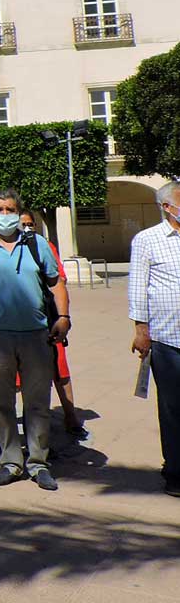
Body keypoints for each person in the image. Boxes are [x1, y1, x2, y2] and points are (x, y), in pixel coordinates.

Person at [0, 189, 70, 492]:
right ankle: (10, 460)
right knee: (1, 400)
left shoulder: (37, 245)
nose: (5, 214)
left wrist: (63, 317)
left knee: (37, 401)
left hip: (36, 335)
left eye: (11, 209)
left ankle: (38, 462)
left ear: (19, 213)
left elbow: (55, 283)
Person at [129, 181, 180, 498]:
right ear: (166, 206)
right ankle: (175, 471)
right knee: (173, 409)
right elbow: (137, 287)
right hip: (168, 339)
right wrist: (140, 330)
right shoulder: (147, 240)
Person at [20, 210, 85, 438]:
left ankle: (70, 416)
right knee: (22, 376)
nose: (28, 227)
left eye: (31, 224)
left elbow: (60, 278)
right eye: (23, 224)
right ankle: (33, 423)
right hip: (19, 321)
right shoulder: (8, 248)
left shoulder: (43, 246)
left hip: (47, 317)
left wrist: (62, 315)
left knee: (60, 370)